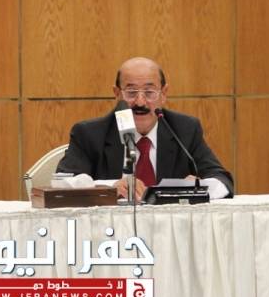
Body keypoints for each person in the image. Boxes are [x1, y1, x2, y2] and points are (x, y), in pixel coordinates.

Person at [57, 57, 234, 201]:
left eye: (149, 92)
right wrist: (109, 187)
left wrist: (197, 187)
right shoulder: (90, 134)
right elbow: (62, 182)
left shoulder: (185, 130)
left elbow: (223, 181)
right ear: (117, 94)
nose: (140, 102)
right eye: (131, 92)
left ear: (163, 94)